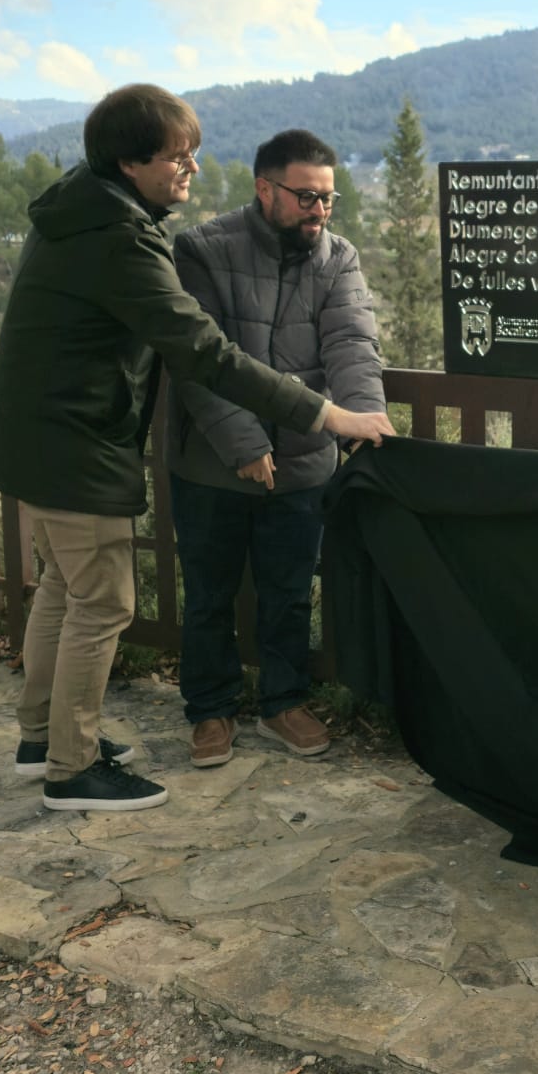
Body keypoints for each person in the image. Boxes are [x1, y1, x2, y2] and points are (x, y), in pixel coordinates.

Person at [0, 85, 393, 813]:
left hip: (36, 435)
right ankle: (73, 767)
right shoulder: (125, 238)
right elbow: (202, 354)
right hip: (74, 443)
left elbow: (351, 341)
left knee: (62, 590)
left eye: (192, 154)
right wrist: (325, 415)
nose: (190, 168)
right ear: (129, 162)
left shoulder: (85, 206)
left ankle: (40, 736)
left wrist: (347, 412)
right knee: (103, 604)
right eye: (176, 157)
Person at [168, 129, 383, 768]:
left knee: (289, 591)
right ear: (265, 189)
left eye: (328, 198)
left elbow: (351, 345)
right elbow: (195, 359)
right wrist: (241, 440)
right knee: (208, 592)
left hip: (304, 460)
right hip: (211, 462)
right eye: (306, 197)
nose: (319, 210)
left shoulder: (338, 259)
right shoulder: (201, 250)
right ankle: (210, 710)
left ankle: (283, 702)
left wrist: (365, 420)